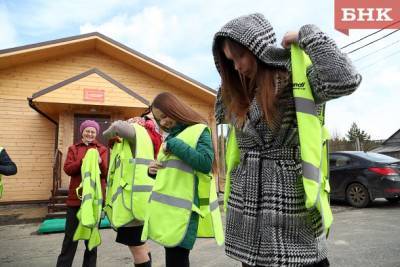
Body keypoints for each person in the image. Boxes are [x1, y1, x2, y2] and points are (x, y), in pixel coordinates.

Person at [212, 13, 362, 267]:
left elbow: (345, 79)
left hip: (288, 199)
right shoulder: (237, 92)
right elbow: (218, 117)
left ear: (259, 48)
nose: (236, 66)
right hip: (246, 208)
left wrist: (309, 36)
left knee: (303, 261)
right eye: (229, 60)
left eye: (240, 56)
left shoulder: (297, 77)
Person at [142, 92, 222, 267]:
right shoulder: (171, 138)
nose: (163, 122)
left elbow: (205, 163)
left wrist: (175, 145)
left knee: (177, 259)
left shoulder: (198, 130)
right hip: (168, 211)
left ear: (175, 109)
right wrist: (153, 170)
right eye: (159, 119)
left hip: (186, 209)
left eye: (164, 116)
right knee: (173, 257)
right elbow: (171, 171)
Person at [103, 113, 162, 267]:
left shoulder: (138, 133)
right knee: (141, 244)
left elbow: (116, 127)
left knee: (137, 248)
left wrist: (107, 133)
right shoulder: (151, 137)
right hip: (138, 201)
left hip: (130, 203)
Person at [57, 120, 108, 267]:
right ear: (82, 132)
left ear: (96, 133)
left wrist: (99, 162)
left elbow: (105, 173)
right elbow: (68, 169)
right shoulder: (73, 148)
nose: (90, 134)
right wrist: (83, 162)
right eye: (87, 131)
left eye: (93, 131)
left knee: (91, 239)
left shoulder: (102, 149)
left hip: (93, 201)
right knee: (70, 238)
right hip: (75, 200)